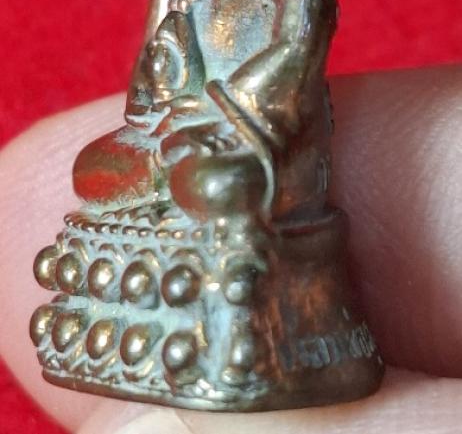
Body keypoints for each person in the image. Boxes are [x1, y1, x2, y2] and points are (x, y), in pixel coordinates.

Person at [0, 65, 461, 431]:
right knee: (93, 170)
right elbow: (153, 87)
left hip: (259, 141)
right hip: (183, 136)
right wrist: (169, 118)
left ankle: (229, 327)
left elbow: (291, 71)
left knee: (224, 184)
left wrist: (223, 124)